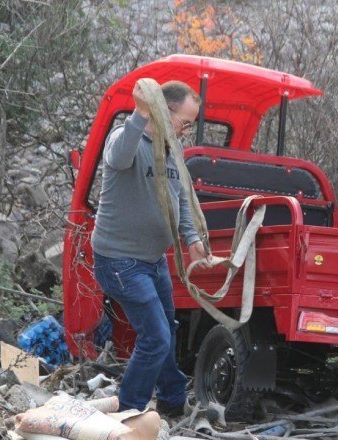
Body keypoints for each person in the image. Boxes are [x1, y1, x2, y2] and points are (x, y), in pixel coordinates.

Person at [92, 80, 211, 417]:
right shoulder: (125, 137)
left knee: (166, 332)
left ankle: (173, 401)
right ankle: (129, 412)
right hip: (119, 260)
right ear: (163, 110)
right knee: (156, 337)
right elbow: (117, 157)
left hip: (154, 261)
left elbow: (181, 200)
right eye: (184, 121)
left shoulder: (173, 149)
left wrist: (192, 240)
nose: (186, 130)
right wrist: (139, 112)